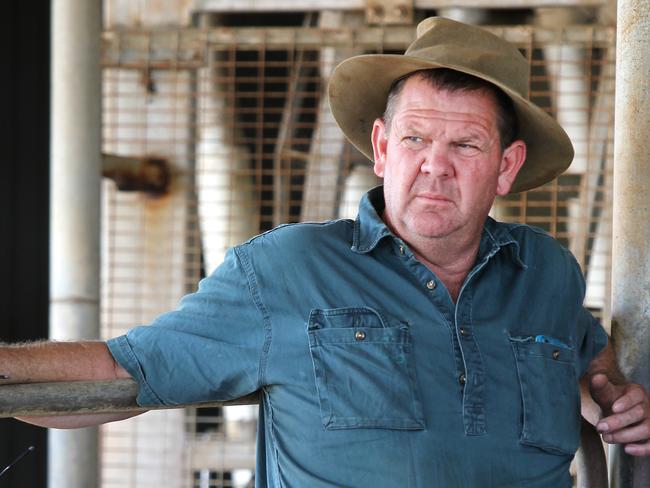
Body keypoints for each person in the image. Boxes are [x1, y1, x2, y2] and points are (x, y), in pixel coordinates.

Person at [2, 16, 650, 487]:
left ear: (507, 167)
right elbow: (121, 371)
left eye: (466, 146)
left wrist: (612, 395)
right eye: (415, 138)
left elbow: (583, 350)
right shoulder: (284, 270)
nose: (434, 167)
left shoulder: (547, 271)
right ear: (381, 146)